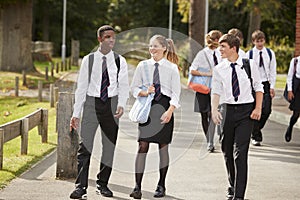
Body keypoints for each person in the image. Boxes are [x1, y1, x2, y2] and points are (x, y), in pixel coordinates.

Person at [69, 25, 129, 199]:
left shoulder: (119, 61)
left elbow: (123, 85)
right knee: (85, 147)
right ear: (100, 39)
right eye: (108, 37)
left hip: (111, 105)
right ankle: (80, 187)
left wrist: (122, 104)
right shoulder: (88, 60)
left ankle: (103, 184)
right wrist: (76, 113)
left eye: (113, 37)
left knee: (109, 146)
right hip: (91, 104)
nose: (111, 40)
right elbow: (81, 88)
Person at [211, 34, 263, 200]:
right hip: (226, 111)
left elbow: (259, 87)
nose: (220, 50)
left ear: (233, 48)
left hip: (245, 112)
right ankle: (232, 184)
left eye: (223, 47)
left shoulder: (249, 64)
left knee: (240, 153)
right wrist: (214, 110)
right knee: (227, 151)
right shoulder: (219, 68)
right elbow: (216, 91)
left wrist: (258, 108)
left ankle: (239, 195)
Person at [129, 35, 181, 199]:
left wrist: (170, 111)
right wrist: (145, 92)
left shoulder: (172, 68)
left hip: (165, 108)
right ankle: (137, 187)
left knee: (163, 148)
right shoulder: (142, 65)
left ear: (164, 48)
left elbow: (176, 93)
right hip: (148, 108)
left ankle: (161, 185)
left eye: (155, 46)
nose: (152, 49)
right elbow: (134, 88)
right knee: (142, 146)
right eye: (150, 46)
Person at [189, 30, 222, 152]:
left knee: (212, 113)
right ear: (217, 40)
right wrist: (207, 74)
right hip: (203, 88)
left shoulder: (221, 53)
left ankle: (211, 140)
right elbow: (192, 70)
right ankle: (209, 140)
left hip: (216, 88)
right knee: (204, 114)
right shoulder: (202, 54)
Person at [246, 30, 277, 146]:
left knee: (267, 110)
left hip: (265, 83)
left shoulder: (269, 53)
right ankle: (256, 136)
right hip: (254, 84)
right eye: (257, 41)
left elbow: (273, 70)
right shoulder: (249, 54)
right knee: (255, 108)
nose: (260, 43)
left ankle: (256, 129)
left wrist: (272, 86)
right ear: (253, 41)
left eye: (262, 40)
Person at [284, 56, 300, 142]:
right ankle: (290, 127)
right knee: (296, 114)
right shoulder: (295, 61)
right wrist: (290, 90)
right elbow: (289, 76)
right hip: (297, 89)